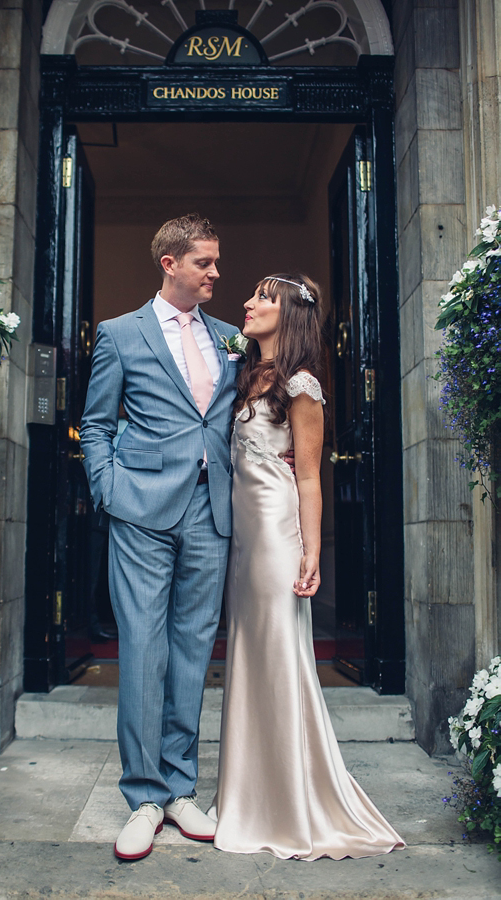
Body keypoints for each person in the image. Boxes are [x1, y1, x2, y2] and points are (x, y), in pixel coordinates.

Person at [212, 274, 405, 860]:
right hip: (240, 535)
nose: (247, 303)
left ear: (290, 314)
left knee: (276, 655)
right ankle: (247, 795)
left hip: (275, 533)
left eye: (262, 298)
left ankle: (289, 803)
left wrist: (311, 550)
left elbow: (309, 476)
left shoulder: (302, 385)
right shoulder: (247, 375)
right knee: (246, 653)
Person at [80, 214, 241, 860]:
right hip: (141, 510)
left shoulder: (232, 338)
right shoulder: (120, 335)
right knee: (143, 648)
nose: (216, 273)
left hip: (211, 512)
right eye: (205, 262)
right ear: (169, 263)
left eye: (216, 261)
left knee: (194, 650)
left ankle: (179, 788)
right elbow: (95, 424)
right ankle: (143, 797)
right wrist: (108, 490)